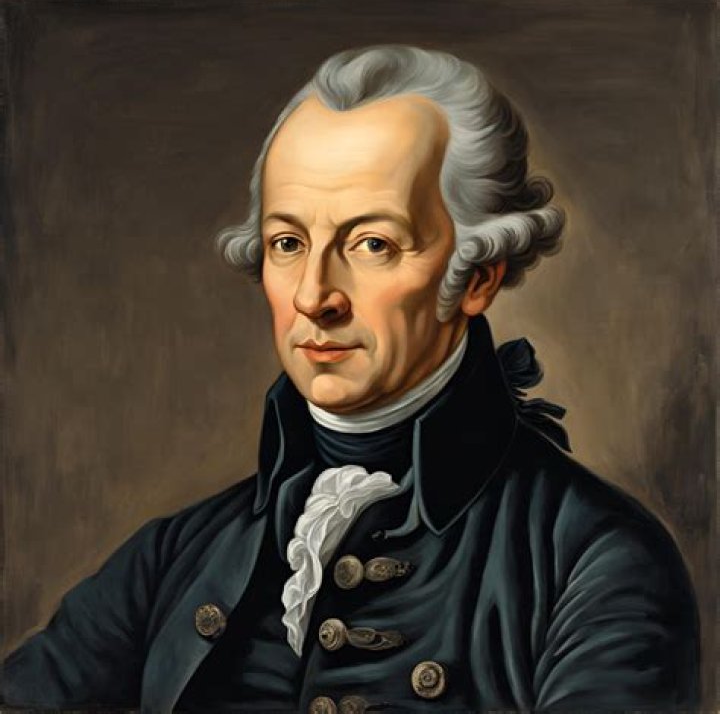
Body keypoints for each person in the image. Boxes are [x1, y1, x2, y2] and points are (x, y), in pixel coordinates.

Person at [2, 45, 699, 713]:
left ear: (477, 277)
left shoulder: (594, 561)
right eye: (288, 243)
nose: (315, 296)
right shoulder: (175, 555)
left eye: (372, 244)